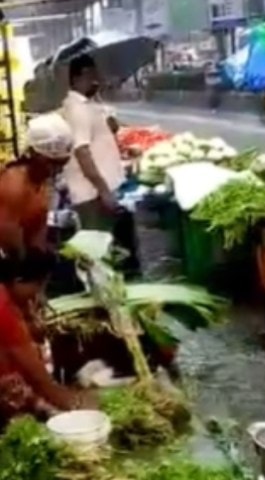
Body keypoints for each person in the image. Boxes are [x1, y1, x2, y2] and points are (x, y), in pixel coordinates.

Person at [0, 249, 95, 424]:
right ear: (17, 281)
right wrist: (69, 403)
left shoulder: (15, 304)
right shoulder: (3, 306)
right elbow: (32, 371)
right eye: (38, 285)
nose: (39, 292)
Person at [62, 54, 125, 232]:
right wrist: (103, 190)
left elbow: (98, 134)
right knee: (97, 247)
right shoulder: (77, 110)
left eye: (95, 75)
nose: (95, 80)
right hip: (91, 194)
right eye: (90, 76)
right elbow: (82, 152)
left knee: (105, 244)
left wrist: (109, 125)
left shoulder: (88, 105)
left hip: (97, 191)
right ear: (77, 78)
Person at [0, 113, 75, 259]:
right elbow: (11, 247)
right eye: (53, 163)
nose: (57, 170)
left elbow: (38, 229)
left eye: (62, 164)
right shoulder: (14, 187)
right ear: (34, 154)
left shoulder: (40, 181)